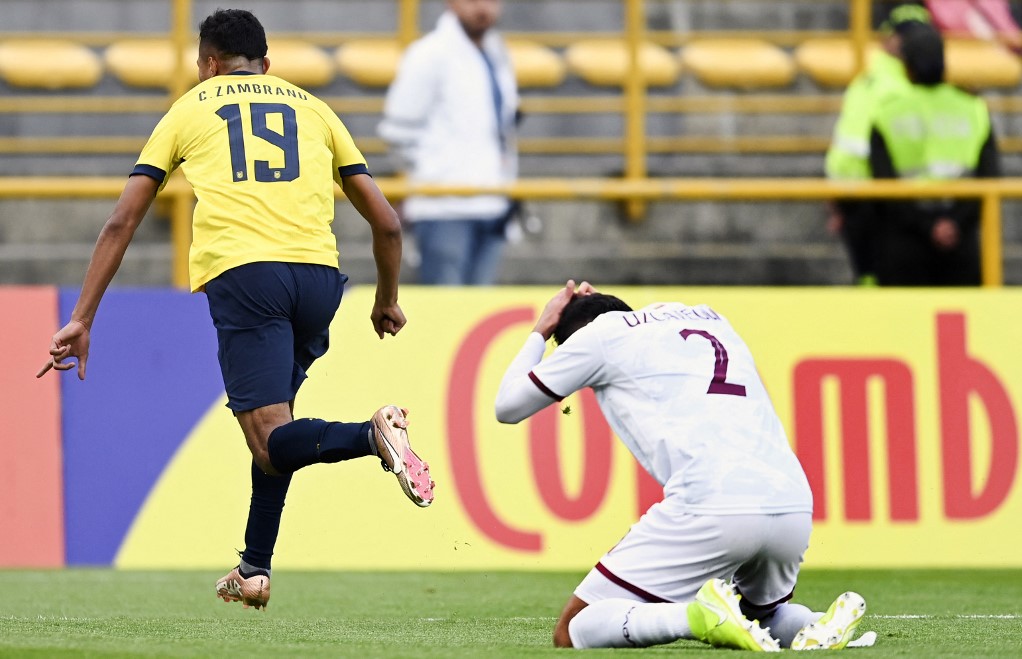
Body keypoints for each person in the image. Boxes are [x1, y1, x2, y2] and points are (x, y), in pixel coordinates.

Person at [36, 8, 434, 610]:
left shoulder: (191, 108)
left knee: (271, 439)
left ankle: (372, 435)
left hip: (248, 275)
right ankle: (254, 567)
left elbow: (123, 219)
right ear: (267, 64)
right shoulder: (316, 110)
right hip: (320, 280)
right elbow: (387, 222)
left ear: (209, 64)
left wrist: (84, 316)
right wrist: (386, 300)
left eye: (202, 66)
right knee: (279, 429)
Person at [494, 281, 870, 651]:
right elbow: (629, 319)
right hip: (792, 502)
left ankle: (694, 616)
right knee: (761, 617)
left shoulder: (599, 337)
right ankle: (816, 625)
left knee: (573, 628)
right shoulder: (711, 318)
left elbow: (508, 406)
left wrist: (541, 331)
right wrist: (593, 303)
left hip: (713, 502)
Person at [378, 0, 519, 285]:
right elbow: (397, 130)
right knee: (445, 309)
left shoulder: (497, 53)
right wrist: (433, 171)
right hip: (443, 207)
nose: (482, 8)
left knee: (478, 314)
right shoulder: (428, 54)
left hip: (492, 201)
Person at [869, 22, 1001, 285]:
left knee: (905, 322)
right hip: (960, 240)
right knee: (960, 322)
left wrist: (926, 225)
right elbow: (990, 176)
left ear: (906, 67)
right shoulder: (974, 109)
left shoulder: (887, 114)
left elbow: (883, 182)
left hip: (906, 242)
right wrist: (953, 224)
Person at [824, 3, 933, 285]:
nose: (911, 42)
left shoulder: (867, 77)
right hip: (876, 191)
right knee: (883, 274)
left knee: (868, 275)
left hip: (853, 187)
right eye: (906, 35)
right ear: (889, 37)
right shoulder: (904, 84)